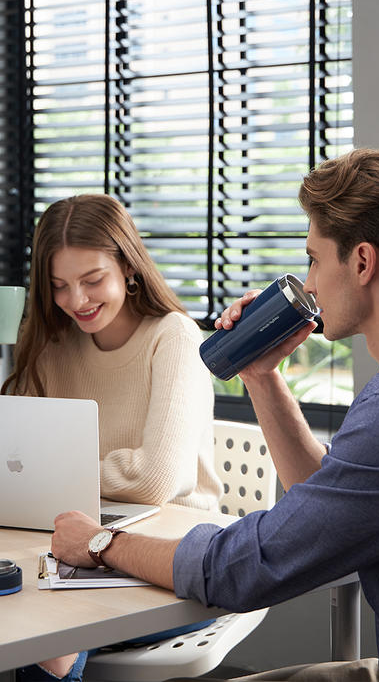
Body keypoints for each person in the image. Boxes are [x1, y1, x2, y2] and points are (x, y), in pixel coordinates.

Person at [50, 148, 379, 682]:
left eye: (314, 259)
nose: (309, 283)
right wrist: (261, 375)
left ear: (363, 262)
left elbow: (250, 567)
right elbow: (321, 503)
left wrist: (102, 543)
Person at [3, 194, 222, 682]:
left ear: (128, 265)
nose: (75, 301)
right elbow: (15, 463)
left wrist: (55, 474)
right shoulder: (50, 344)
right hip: (70, 547)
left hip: (173, 561)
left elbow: (153, 479)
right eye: (59, 286)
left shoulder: (174, 337)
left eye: (92, 280)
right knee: (28, 617)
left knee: (50, 642)